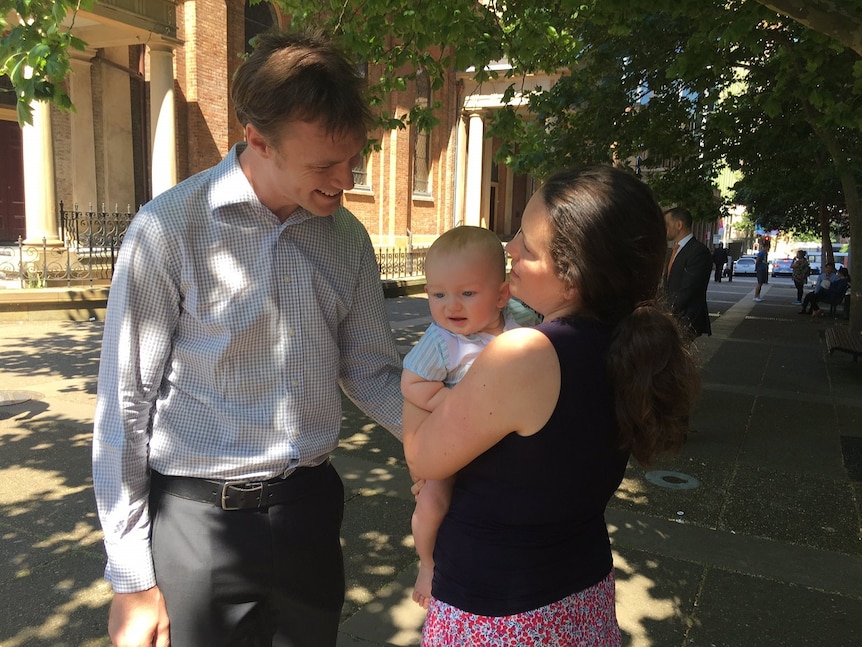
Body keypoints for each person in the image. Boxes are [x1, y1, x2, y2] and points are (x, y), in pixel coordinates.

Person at [92, 30, 404, 647]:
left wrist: (454, 436)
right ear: (257, 139)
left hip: (309, 515)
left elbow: (371, 372)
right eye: (324, 164)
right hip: (198, 525)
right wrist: (130, 581)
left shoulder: (346, 240)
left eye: (353, 160)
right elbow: (124, 407)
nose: (344, 180)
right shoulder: (167, 231)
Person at [403, 166, 699, 646]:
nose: (510, 249)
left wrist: (416, 378)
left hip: (500, 609)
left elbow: (423, 456)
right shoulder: (623, 345)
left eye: (527, 244)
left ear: (572, 276)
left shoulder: (525, 355)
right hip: (580, 595)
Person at [401, 226, 538, 609]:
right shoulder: (442, 341)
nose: (451, 306)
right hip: (451, 440)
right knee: (431, 503)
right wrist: (455, 403)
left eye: (466, 293)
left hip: (497, 448)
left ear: (501, 295)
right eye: (438, 294)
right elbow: (412, 384)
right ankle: (427, 564)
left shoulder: (517, 324)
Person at [663, 207, 712, 337]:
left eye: (667, 224)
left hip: (686, 319)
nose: (664, 229)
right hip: (671, 318)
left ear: (679, 225)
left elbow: (689, 289)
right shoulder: (674, 250)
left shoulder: (698, 252)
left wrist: (665, 310)